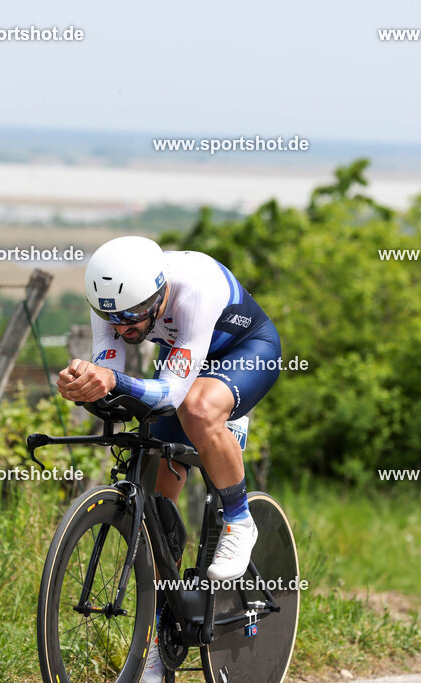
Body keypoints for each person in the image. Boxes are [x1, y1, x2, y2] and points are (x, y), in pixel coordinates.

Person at [56, 235, 281, 682]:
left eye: (133, 316)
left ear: (160, 294)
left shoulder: (195, 287)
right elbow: (111, 369)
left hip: (244, 352)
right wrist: (84, 384)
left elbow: (172, 395)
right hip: (183, 354)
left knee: (197, 409)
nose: (122, 328)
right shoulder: (115, 297)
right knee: (157, 507)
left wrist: (112, 380)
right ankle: (160, 640)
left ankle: (240, 520)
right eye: (111, 318)